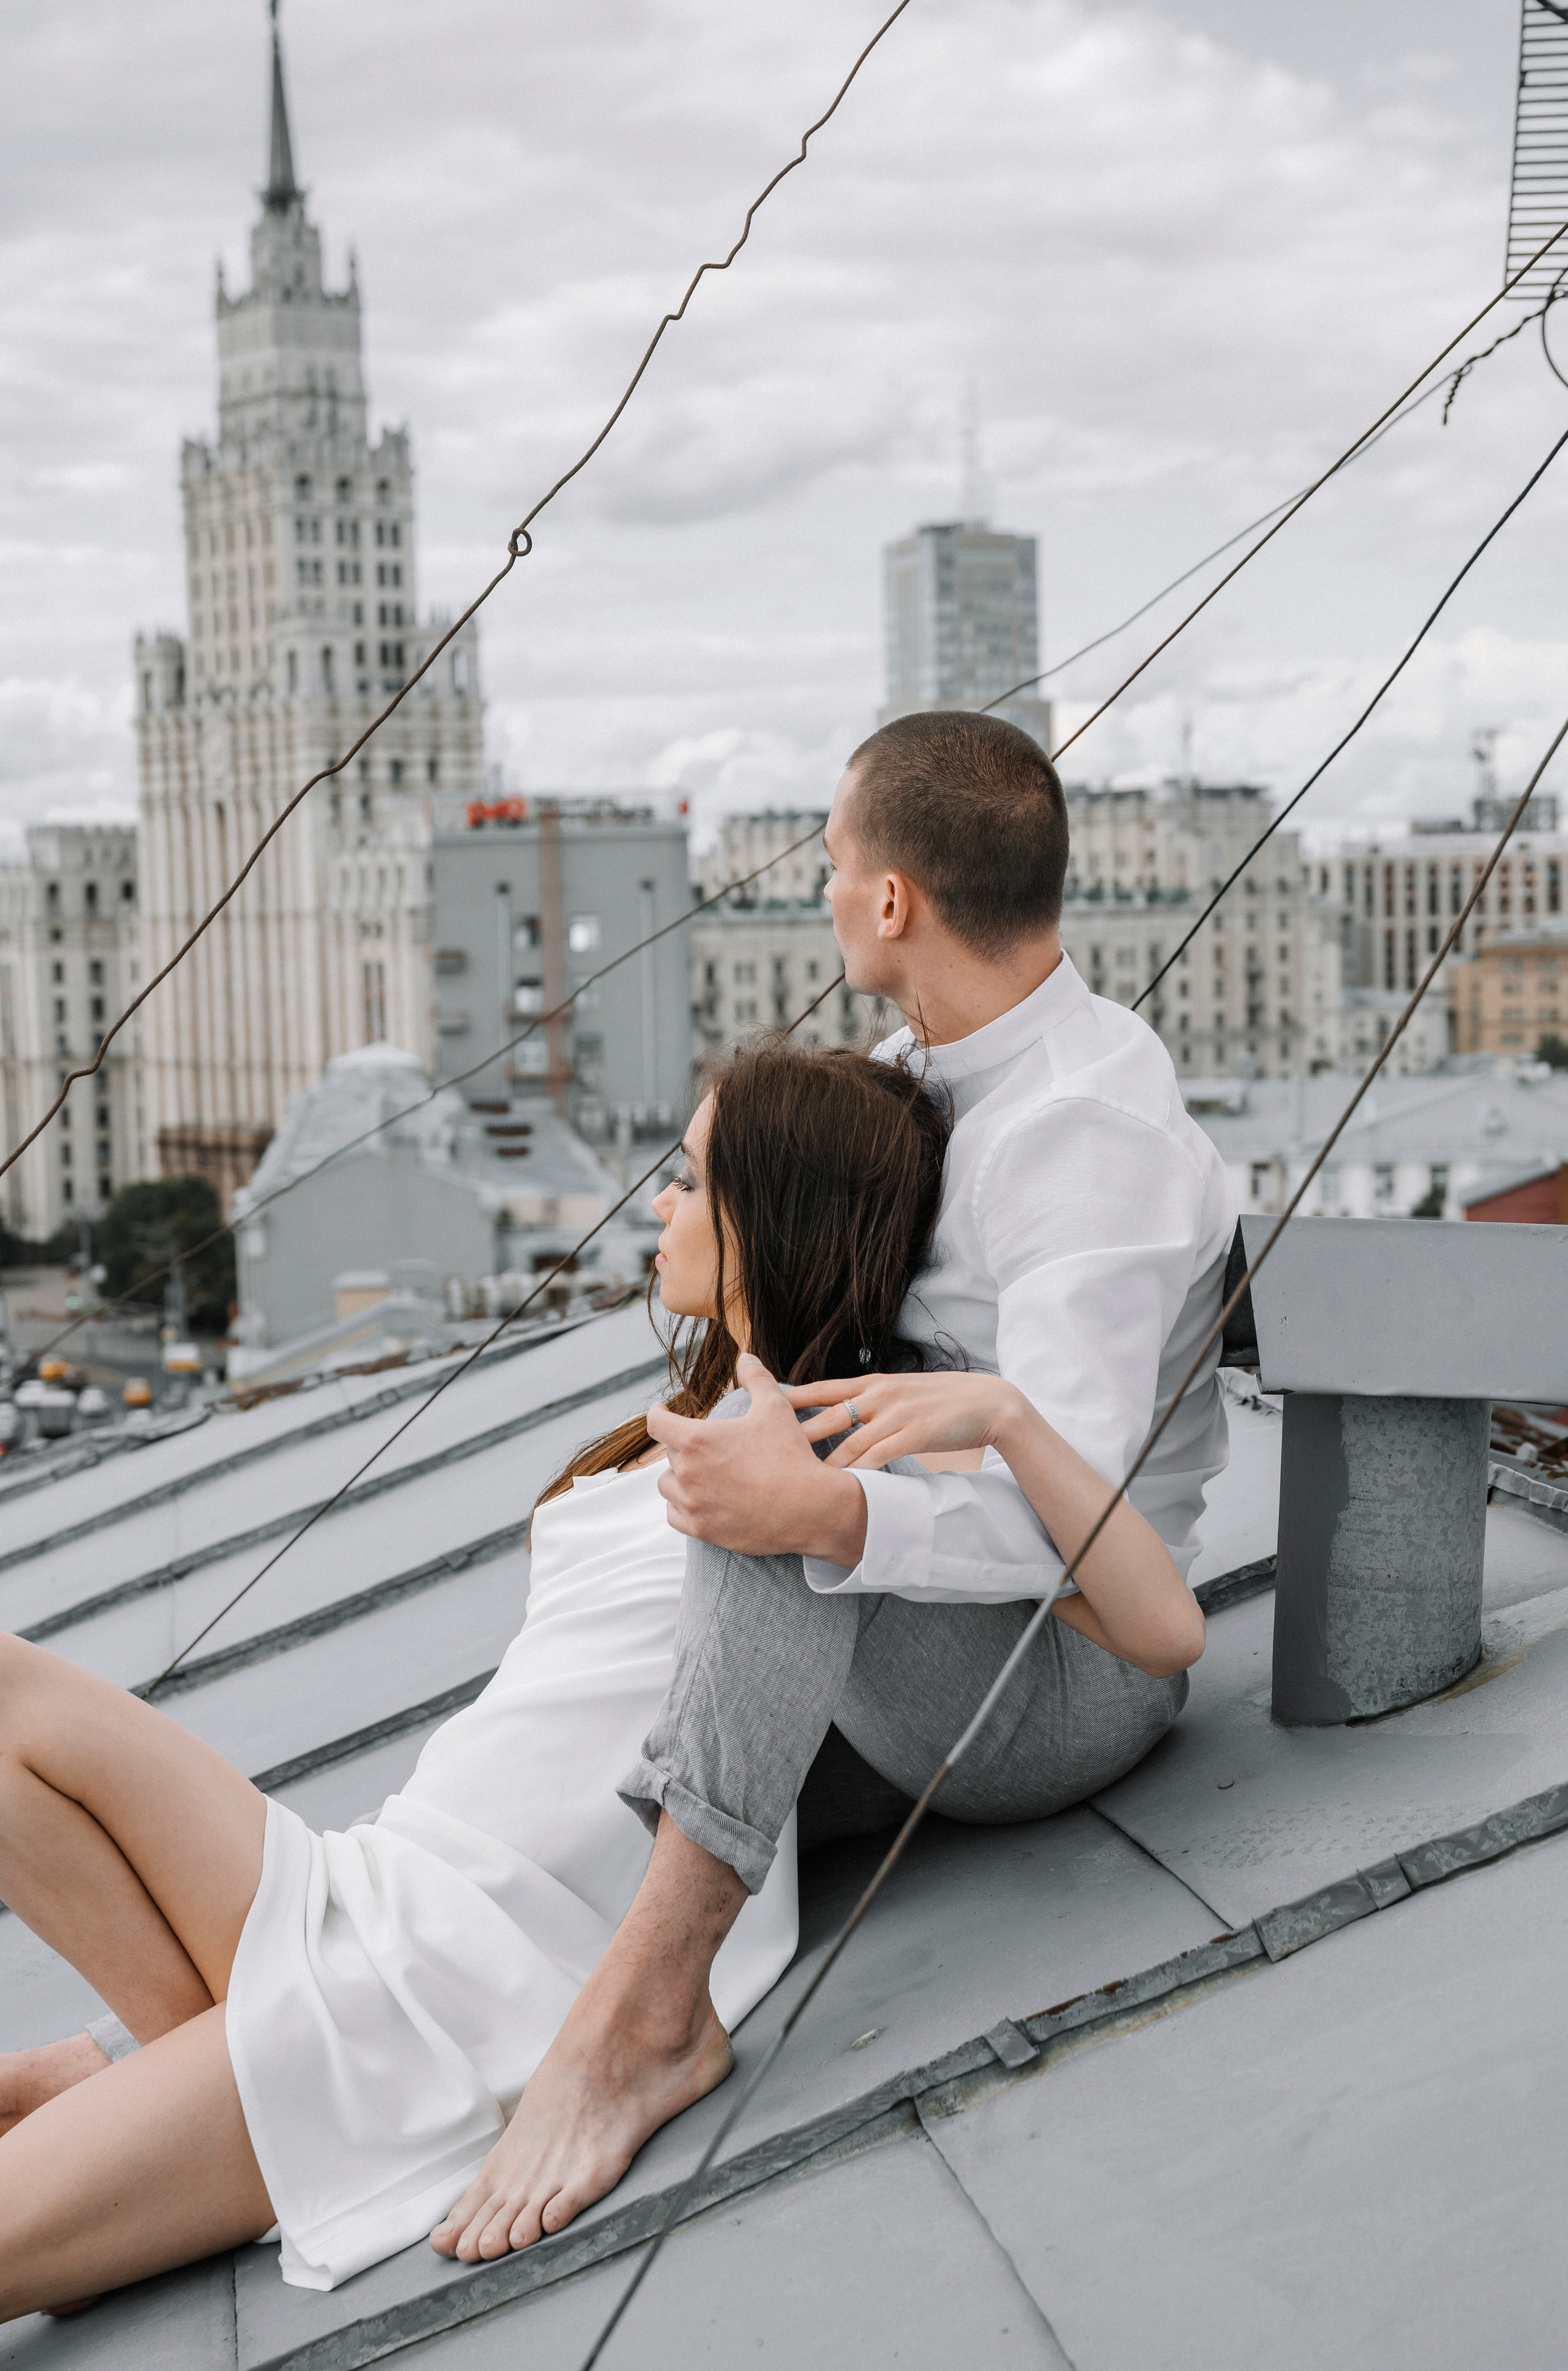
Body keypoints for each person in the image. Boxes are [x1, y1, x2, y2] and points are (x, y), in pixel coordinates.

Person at [454, 706, 1238, 2260]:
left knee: (772, 1494)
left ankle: (650, 2026)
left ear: (891, 903)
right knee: (567, 1817)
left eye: (829, 865)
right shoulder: (928, 1069)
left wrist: (825, 1507)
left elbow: (1068, 1535)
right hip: (927, 1658)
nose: (819, 893)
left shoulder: (1081, 1138)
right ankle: (215, 2050)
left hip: (1062, 1676)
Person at [0, 1040, 957, 2312]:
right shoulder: (697, 1418)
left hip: (454, 1996)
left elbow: (1089, 1609)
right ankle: (201, 2062)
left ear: (766, 1219)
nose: (659, 1204)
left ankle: (222, 2079)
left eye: (686, 1180)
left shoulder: (821, 1464)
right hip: (373, 1884)